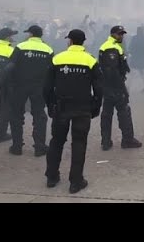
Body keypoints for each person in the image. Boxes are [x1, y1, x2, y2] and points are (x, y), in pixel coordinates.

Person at [43, 29, 103, 194]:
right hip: (82, 108)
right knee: (79, 143)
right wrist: (96, 108)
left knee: (56, 142)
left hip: (61, 108)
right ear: (83, 42)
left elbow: (47, 87)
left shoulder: (57, 59)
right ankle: (76, 182)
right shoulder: (90, 60)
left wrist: (50, 105)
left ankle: (51, 177)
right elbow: (99, 88)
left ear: (69, 41)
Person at [7, 25, 54, 156]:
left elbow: (10, 67)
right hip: (39, 87)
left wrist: (10, 83)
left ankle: (17, 147)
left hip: (19, 86)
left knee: (16, 114)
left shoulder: (20, 47)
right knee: (39, 116)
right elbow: (52, 71)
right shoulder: (48, 49)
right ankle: (39, 147)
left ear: (31, 34)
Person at [98, 26, 142, 151]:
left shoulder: (112, 45)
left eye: (122, 34)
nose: (121, 36)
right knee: (123, 113)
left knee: (107, 113)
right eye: (119, 34)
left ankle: (106, 141)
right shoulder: (110, 47)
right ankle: (127, 140)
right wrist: (121, 88)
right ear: (112, 34)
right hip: (114, 86)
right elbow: (111, 71)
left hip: (108, 86)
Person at [0, 27, 17, 142]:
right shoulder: (12, 51)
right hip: (5, 85)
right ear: (8, 37)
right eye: (12, 36)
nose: (13, 38)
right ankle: (0, 135)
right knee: (4, 110)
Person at [127, 25, 144, 94]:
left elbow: (130, 47)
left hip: (134, 58)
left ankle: (127, 88)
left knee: (131, 74)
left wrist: (131, 53)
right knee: (143, 73)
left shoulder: (134, 38)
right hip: (142, 58)